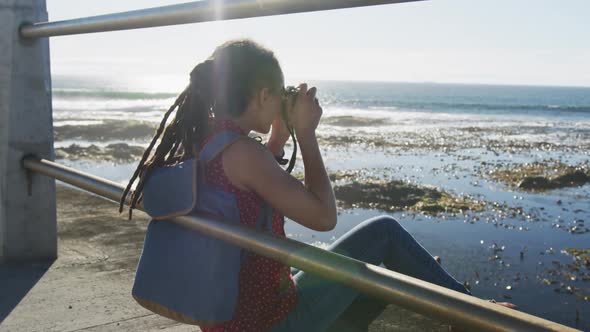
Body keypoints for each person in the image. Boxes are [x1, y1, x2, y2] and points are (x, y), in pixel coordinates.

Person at [122, 39, 514, 332]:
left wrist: (277, 137)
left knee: (373, 273)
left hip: (231, 317)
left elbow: (248, 187)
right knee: (383, 235)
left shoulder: (206, 142)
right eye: (278, 95)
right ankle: (472, 314)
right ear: (262, 95)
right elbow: (324, 217)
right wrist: (307, 137)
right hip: (271, 323)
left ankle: (455, 306)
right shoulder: (246, 155)